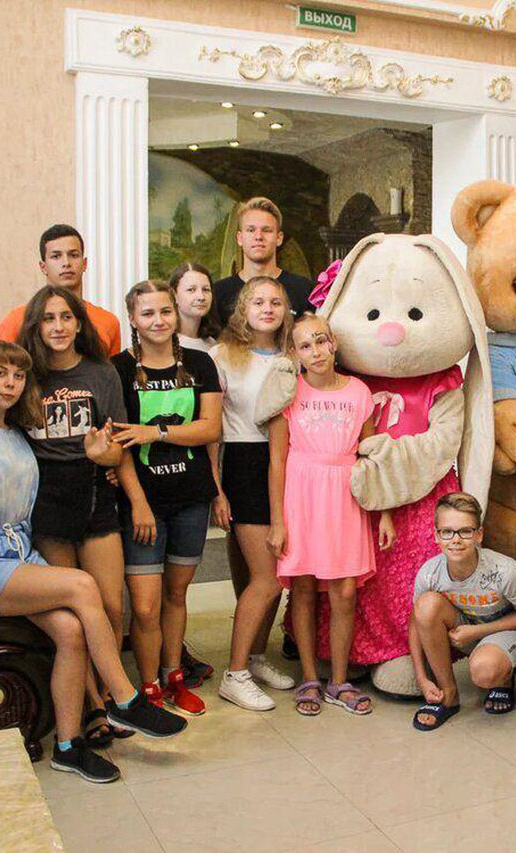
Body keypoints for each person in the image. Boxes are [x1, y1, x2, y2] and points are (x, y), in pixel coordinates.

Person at [0, 340, 186, 783]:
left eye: (18, 375)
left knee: (71, 630)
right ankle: (124, 699)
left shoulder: (16, 431)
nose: (10, 383)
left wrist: (104, 461)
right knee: (82, 585)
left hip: (19, 554)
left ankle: (67, 746)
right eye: (0, 373)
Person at [17, 285, 129, 746]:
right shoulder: (25, 373)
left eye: (66, 317)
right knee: (74, 613)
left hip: (95, 490)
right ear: (36, 326)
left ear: (79, 323)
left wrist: (105, 457)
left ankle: (112, 695)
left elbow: (117, 447)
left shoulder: (102, 373)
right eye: (48, 318)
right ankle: (95, 708)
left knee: (111, 606)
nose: (58, 326)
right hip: (46, 497)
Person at [269, 314, 390, 716]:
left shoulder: (359, 392)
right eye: (305, 345)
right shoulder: (289, 392)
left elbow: (371, 457)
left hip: (345, 497)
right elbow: (276, 461)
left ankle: (339, 680)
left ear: (334, 342)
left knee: (345, 591)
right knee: (303, 588)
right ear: (294, 353)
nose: (316, 351)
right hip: (301, 496)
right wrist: (278, 522)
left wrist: (384, 513)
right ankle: (309, 677)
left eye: (321, 341)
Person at [112, 280, 223, 716]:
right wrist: (138, 503)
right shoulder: (118, 369)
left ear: (175, 314)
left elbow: (210, 427)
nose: (158, 321)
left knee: (176, 595)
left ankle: (174, 677)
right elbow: (120, 443)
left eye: (165, 311)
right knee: (144, 607)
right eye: (148, 313)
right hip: (143, 504)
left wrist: (156, 432)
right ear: (133, 319)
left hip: (191, 498)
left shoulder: (199, 363)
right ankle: (149, 687)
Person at [211, 276, 298, 710]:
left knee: (279, 578)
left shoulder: (294, 355)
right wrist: (217, 490)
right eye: (258, 302)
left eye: (275, 302)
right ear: (244, 309)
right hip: (245, 464)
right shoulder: (223, 356)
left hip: (292, 464)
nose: (267, 309)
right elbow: (212, 432)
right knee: (265, 579)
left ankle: (258, 657)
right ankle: (235, 673)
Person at [410, 492, 516, 731]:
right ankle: (448, 695)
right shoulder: (429, 573)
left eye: (465, 531)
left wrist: (477, 631)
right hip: (465, 631)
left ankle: (503, 678)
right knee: (426, 605)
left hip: (508, 630)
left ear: (479, 534)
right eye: (447, 532)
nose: (456, 540)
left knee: (485, 671)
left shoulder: (505, 571)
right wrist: (421, 678)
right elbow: (416, 623)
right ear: (436, 535)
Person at [169, 261, 222, 685]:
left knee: (184, 576)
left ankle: (176, 652)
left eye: (205, 289)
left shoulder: (214, 348)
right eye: (190, 289)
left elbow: (213, 423)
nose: (199, 296)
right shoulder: (157, 346)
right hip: (161, 468)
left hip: (205, 462)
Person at [0, 224, 122, 356]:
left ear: (84, 264)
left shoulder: (108, 322)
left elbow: (109, 369)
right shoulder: (16, 321)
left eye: (73, 255)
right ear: (43, 267)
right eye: (56, 256)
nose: (66, 263)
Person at [212, 198, 316, 326]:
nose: (258, 237)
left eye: (266, 230)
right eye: (251, 230)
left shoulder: (304, 290)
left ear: (279, 238)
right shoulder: (218, 293)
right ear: (239, 238)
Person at [171, 262, 222, 353]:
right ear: (174, 295)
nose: (201, 297)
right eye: (191, 290)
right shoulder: (166, 343)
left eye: (206, 290)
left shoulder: (213, 346)